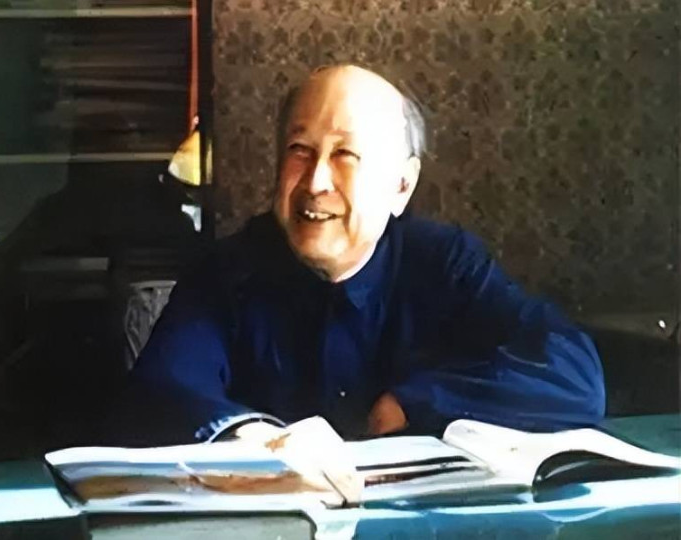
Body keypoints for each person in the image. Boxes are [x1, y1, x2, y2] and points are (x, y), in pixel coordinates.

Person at [118, 64, 605, 445]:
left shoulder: (444, 264)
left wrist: (417, 402)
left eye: (344, 156)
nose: (315, 182)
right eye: (299, 150)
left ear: (401, 186)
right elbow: (160, 389)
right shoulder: (227, 272)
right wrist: (257, 440)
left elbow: (573, 376)